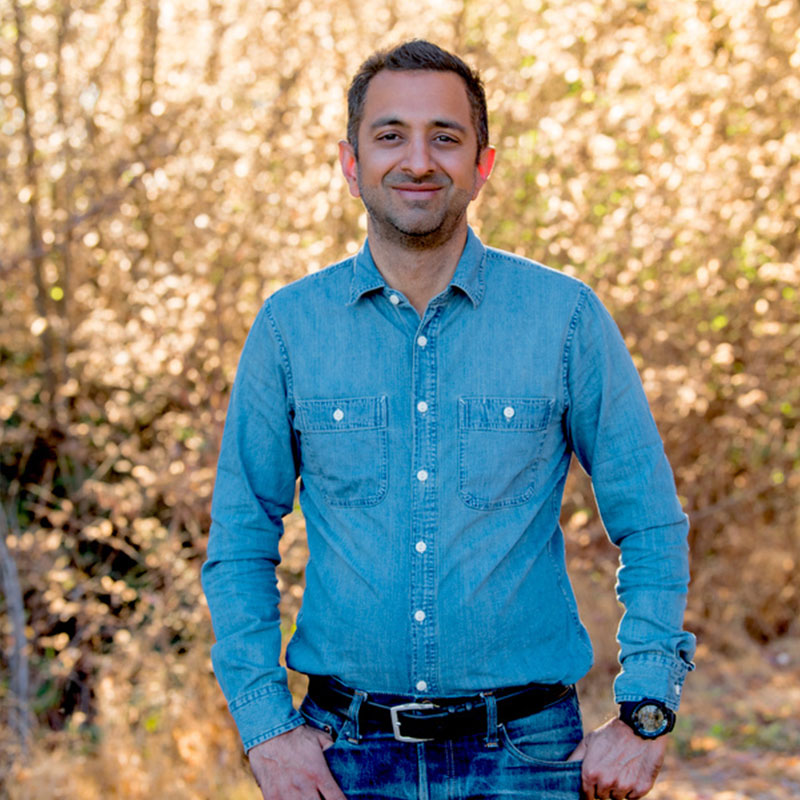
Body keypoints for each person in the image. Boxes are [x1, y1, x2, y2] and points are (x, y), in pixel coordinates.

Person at [202, 39, 696, 800]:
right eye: (390, 134)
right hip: (344, 760)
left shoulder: (565, 320)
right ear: (350, 161)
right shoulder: (288, 329)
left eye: (445, 136)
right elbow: (239, 541)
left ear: (482, 165)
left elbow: (651, 523)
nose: (418, 160)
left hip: (529, 760)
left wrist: (646, 711)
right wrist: (266, 727)